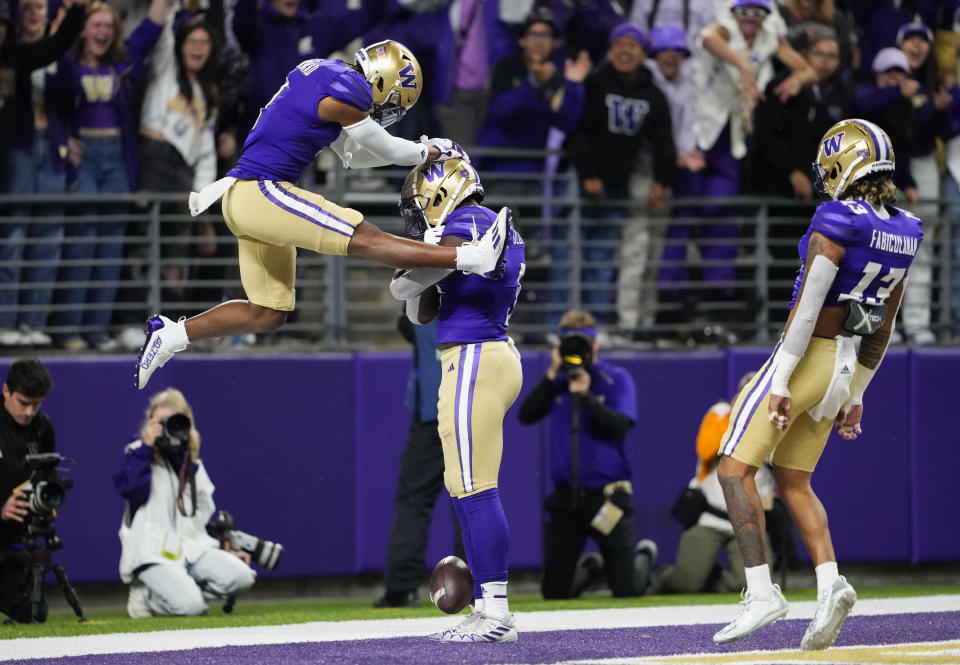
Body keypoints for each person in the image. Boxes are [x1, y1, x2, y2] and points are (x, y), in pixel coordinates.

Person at [135, 39, 510, 391]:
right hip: (262, 191)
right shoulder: (349, 87)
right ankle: (469, 257)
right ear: (382, 80)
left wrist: (417, 149)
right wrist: (426, 150)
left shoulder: (328, 76)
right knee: (367, 239)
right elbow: (383, 146)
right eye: (394, 101)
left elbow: (356, 155)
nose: (387, 111)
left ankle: (170, 335)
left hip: (244, 196)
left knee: (266, 313)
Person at [712, 119, 922, 650]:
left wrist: (781, 379)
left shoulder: (836, 220)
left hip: (808, 359)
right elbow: (886, 326)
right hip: (847, 365)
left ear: (843, 164)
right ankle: (831, 584)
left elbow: (807, 312)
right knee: (794, 482)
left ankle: (761, 592)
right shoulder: (905, 231)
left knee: (733, 469)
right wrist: (856, 395)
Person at [390, 157, 525, 643]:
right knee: (465, 488)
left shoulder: (472, 221)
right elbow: (420, 310)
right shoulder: (473, 225)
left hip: (474, 356)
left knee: (475, 489)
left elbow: (404, 285)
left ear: (443, 190)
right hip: (480, 355)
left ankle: (497, 614)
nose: (416, 211)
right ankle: (490, 607)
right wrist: (418, 264)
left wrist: (412, 262)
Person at [516, 310, 655, 600]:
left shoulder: (615, 378)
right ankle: (590, 570)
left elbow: (619, 428)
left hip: (606, 498)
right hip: (566, 501)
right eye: (569, 345)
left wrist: (587, 397)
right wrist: (552, 373)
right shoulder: (556, 383)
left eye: (583, 345)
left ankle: (642, 556)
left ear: (596, 346)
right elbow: (526, 415)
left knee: (625, 590)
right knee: (554, 593)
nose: (577, 353)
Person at [113, 387, 256, 618]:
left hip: (192, 548)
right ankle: (146, 597)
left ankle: (181, 589)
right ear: (150, 422)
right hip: (152, 553)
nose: (168, 428)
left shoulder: (192, 462)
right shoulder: (137, 453)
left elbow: (202, 515)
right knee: (193, 608)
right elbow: (131, 490)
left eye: (174, 421)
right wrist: (146, 448)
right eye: (161, 422)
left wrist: (224, 546)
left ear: (188, 421)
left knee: (243, 577)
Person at [0, 0, 87, 347]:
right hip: (17, 150)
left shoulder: (28, 54)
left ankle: (32, 323)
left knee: (49, 236)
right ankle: (6, 321)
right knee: (15, 235)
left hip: (49, 148)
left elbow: (55, 48)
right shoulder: (14, 53)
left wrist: (77, 12)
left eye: (40, 5)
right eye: (27, 6)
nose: (33, 12)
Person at [651, 372, 775, 595]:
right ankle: (660, 577)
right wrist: (738, 419)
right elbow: (706, 449)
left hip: (749, 521)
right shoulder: (720, 413)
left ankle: (714, 577)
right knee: (685, 584)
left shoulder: (774, 421)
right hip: (711, 518)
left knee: (753, 586)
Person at [374, 315, 464, 608]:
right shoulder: (479, 309)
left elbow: (405, 323)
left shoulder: (421, 306)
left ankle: (401, 588)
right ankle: (480, 585)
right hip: (467, 415)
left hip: (430, 417)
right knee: (472, 501)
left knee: (413, 502)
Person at [0, 358, 55, 623]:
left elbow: (48, 475)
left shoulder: (43, 427)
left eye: (37, 404)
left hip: (15, 540)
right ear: (6, 391)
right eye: (23, 403)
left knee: (31, 612)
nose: (29, 412)